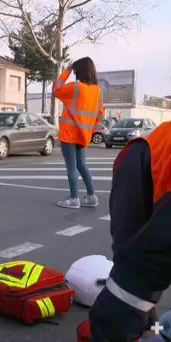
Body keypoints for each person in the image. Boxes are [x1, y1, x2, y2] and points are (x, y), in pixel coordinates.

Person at [89, 121, 171, 341]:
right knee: (121, 307)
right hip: (144, 160)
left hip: (147, 159)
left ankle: (148, 327)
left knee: (119, 314)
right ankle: (148, 327)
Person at [52, 57, 103, 209]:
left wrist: (66, 71)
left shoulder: (76, 87)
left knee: (71, 166)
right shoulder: (98, 91)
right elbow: (99, 115)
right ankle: (91, 196)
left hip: (70, 133)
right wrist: (88, 131)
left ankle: (74, 198)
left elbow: (56, 90)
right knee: (82, 165)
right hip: (84, 134)